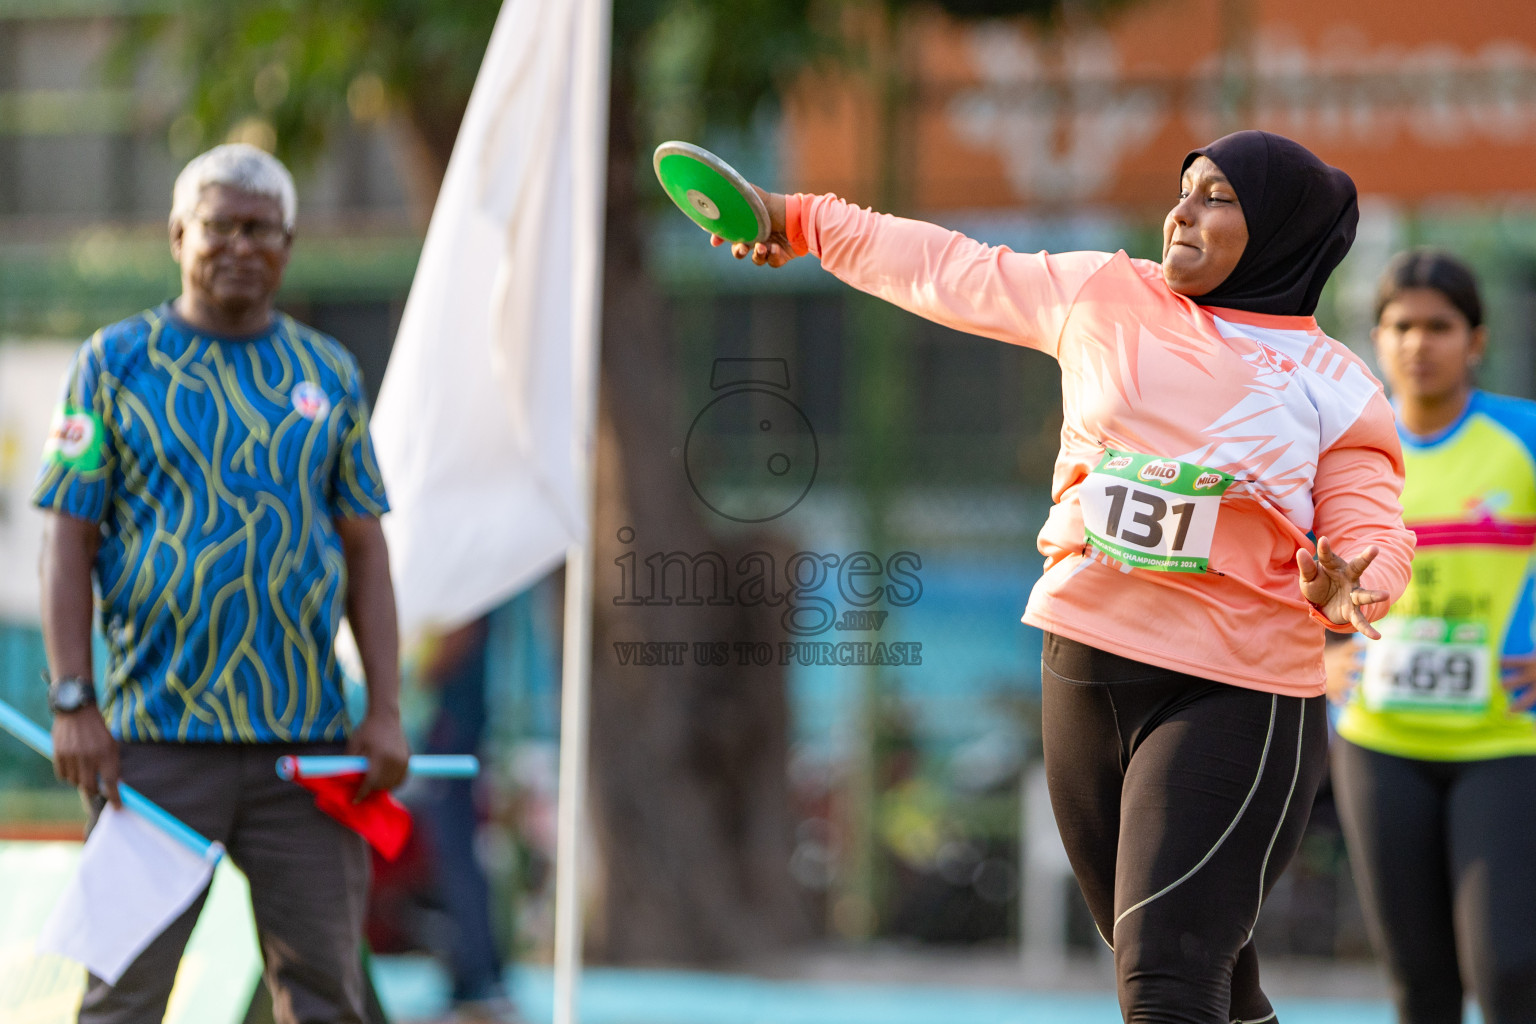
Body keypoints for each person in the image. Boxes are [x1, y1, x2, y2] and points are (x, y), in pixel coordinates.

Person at [717, 130, 1414, 1023]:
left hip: (1238, 694)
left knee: (1166, 978)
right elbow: (946, 266)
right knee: (1200, 975)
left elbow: (1371, 524)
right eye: (1183, 189)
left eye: (1217, 197)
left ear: (1281, 228)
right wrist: (798, 218)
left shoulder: (1339, 383)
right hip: (1085, 671)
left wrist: (1356, 582)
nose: (1183, 211)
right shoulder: (1107, 294)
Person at [34, 142, 410, 1024]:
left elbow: (367, 552)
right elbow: (66, 540)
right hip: (154, 747)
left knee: (325, 994)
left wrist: (385, 709)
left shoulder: (328, 374)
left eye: (261, 229)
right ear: (177, 235)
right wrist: (71, 697)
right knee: (123, 998)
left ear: (287, 245)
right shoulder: (114, 362)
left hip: (305, 749)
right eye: (219, 227)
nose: (239, 245)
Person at [1326, 250, 1536, 1024]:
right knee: (1421, 986)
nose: (1420, 343)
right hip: (1379, 744)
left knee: (1512, 973)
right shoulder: (1343, 454)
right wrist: (1322, 655)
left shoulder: (1524, 438)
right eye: (1402, 326)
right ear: (1376, 339)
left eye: (1440, 326)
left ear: (1475, 340)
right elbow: (1280, 566)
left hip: (1507, 744)